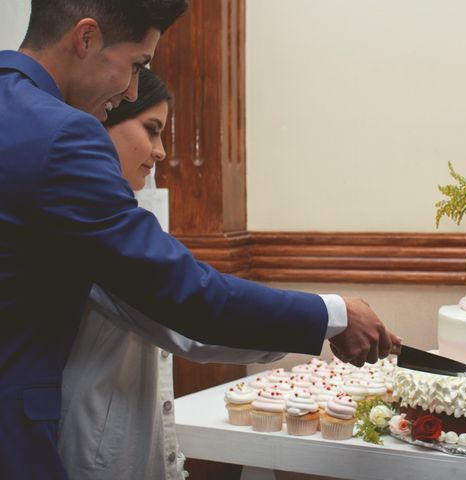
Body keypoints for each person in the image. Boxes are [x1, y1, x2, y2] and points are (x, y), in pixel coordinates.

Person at [0, 1, 398, 478]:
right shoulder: (65, 134)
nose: (129, 90)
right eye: (136, 66)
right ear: (86, 38)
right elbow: (185, 296)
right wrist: (333, 314)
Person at [59, 67, 290, 480]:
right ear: (101, 122)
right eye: (151, 130)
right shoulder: (94, 220)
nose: (162, 151)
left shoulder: (121, 212)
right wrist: (328, 319)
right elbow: (192, 317)